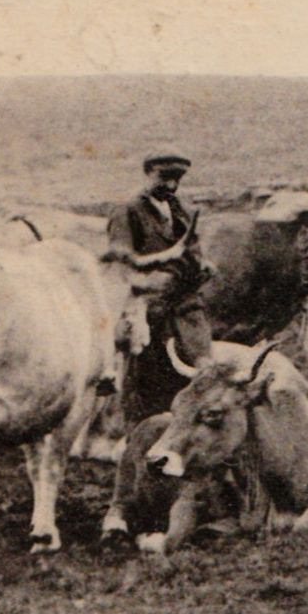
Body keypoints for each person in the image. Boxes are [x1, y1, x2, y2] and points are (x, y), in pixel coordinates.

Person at [108, 148, 214, 423]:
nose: (171, 185)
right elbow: (121, 262)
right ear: (147, 173)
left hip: (187, 308)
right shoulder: (127, 211)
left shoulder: (181, 210)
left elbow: (192, 250)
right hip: (150, 313)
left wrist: (202, 264)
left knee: (198, 373)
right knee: (148, 385)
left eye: (177, 178)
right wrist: (163, 262)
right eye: (164, 177)